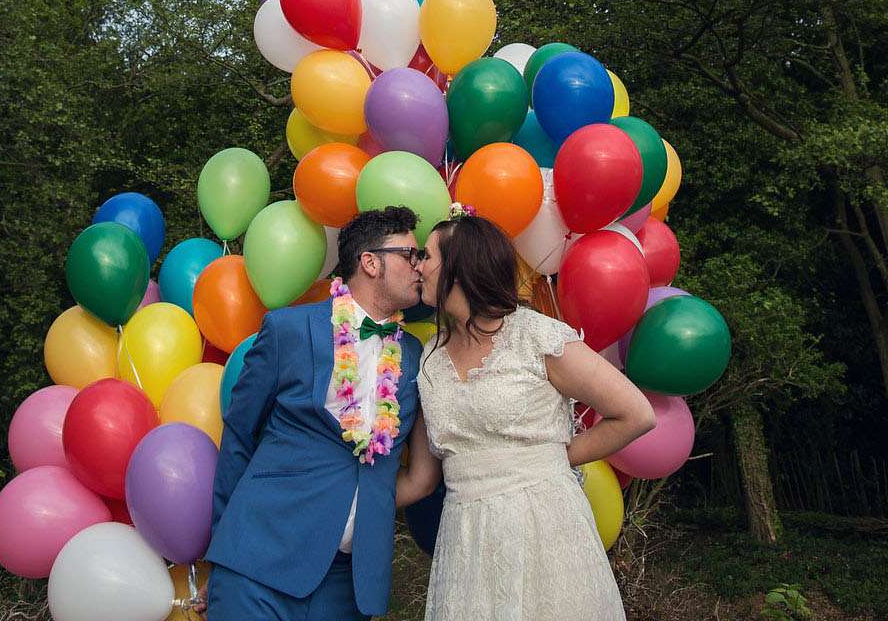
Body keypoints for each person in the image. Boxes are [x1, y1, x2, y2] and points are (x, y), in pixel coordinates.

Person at [396, 211, 656, 621]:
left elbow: (636, 413)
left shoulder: (535, 336)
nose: (418, 266)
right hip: (466, 535)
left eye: (426, 256)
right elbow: (423, 475)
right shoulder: (430, 359)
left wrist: (554, 457)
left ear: (459, 267)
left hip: (543, 525)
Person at [204, 205, 426, 620]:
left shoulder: (415, 357)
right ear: (370, 262)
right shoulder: (287, 329)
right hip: (257, 563)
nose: (420, 266)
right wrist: (222, 549)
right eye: (410, 255)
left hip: (347, 585)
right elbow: (238, 437)